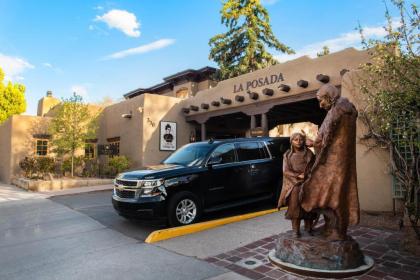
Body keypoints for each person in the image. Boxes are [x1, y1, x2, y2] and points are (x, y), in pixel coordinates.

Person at [300, 84, 360, 241]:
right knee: (337, 195)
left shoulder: (336, 111)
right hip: (341, 162)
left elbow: (325, 140)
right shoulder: (349, 109)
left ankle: (337, 231)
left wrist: (313, 144)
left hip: (331, 163)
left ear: (329, 97)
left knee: (331, 195)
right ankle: (332, 228)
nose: (320, 105)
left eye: (321, 100)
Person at [278, 132, 316, 237]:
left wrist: (307, 174)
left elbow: (315, 167)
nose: (298, 142)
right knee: (295, 209)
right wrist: (298, 175)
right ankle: (296, 231)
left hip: (308, 184)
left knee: (309, 208)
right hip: (295, 185)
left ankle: (309, 228)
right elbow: (285, 171)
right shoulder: (287, 155)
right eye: (296, 140)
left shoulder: (309, 154)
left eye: (301, 139)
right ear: (291, 141)